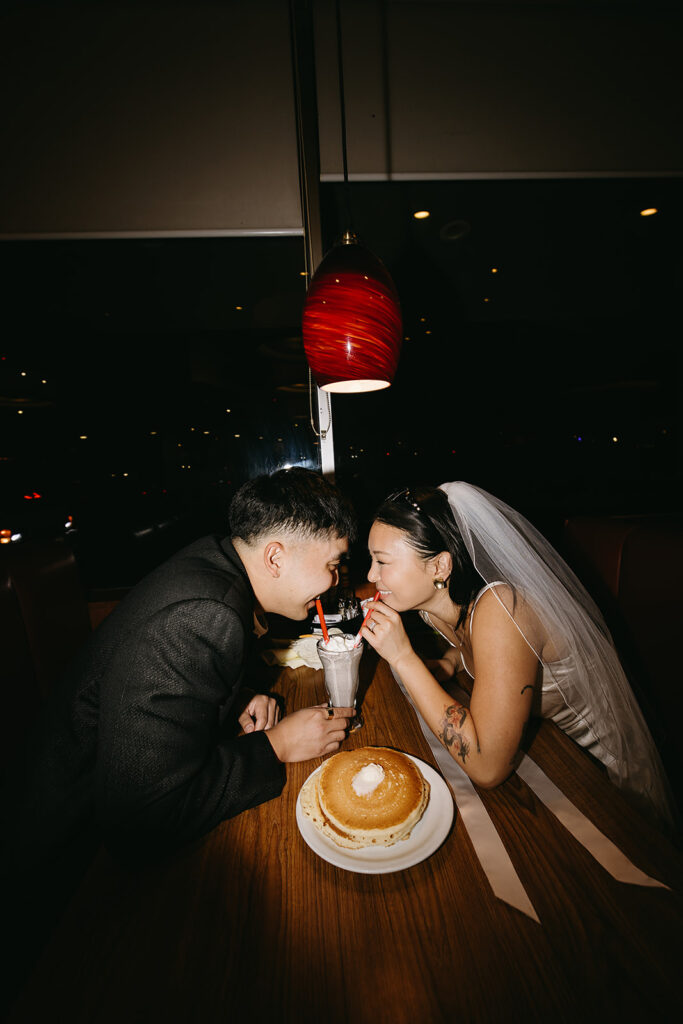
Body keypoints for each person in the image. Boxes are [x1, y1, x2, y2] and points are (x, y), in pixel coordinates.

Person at [2, 467, 354, 1007]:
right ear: (277, 557)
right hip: (61, 880)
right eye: (331, 564)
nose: (335, 580)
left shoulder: (213, 562)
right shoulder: (203, 612)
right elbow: (140, 819)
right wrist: (277, 747)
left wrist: (234, 698)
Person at [360, 481, 677, 830]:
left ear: (439, 567)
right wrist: (451, 660)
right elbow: (470, 637)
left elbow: (487, 768)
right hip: (548, 749)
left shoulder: (502, 609)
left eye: (382, 561)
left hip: (604, 776)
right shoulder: (439, 602)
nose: (372, 575)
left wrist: (403, 658)